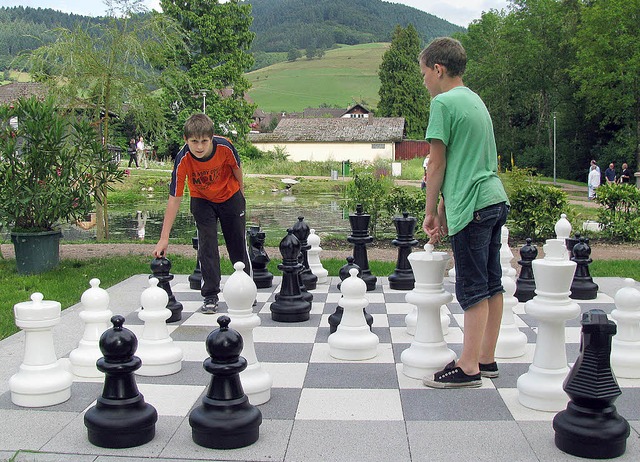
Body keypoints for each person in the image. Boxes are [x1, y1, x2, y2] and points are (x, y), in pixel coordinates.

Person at [418, 37, 509, 389]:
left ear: (438, 69)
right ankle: (486, 357)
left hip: (472, 205)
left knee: (472, 287)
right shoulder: (474, 100)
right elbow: (467, 162)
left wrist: (429, 210)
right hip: (493, 199)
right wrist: (443, 207)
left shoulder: (442, 104)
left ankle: (468, 366)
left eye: (425, 73)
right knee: (491, 283)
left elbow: (438, 164)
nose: (424, 81)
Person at [153, 113, 250, 313]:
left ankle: (246, 289)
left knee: (237, 244)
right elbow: (174, 198)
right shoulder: (182, 159)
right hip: (202, 200)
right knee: (207, 246)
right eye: (194, 141)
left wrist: (241, 192)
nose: (199, 147)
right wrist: (164, 238)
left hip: (230, 196)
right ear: (185, 140)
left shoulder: (225, 146)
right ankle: (210, 296)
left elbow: (236, 168)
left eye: (204, 141)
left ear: (211, 138)